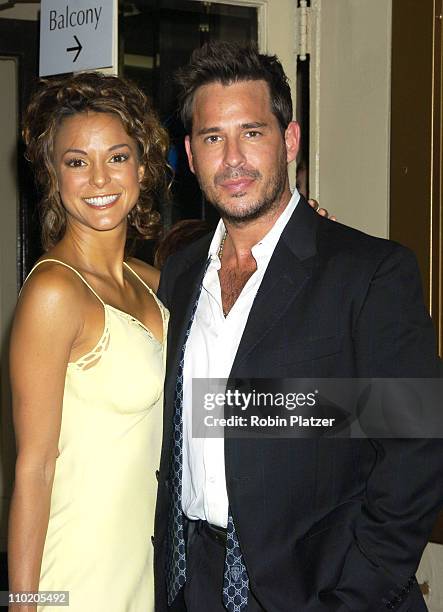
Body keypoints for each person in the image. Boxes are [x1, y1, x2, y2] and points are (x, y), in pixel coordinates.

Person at [153, 42, 442, 611]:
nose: (232, 158)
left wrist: (353, 597)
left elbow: (415, 452)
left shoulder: (369, 274)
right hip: (195, 582)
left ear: (289, 140)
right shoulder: (180, 275)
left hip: (321, 589)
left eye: (252, 132)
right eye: (213, 138)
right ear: (189, 154)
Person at [8, 72, 169, 612]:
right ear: (53, 175)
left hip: (144, 566)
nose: (99, 177)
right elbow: (34, 467)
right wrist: (25, 604)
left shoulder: (153, 282)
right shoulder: (54, 291)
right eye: (77, 161)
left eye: (117, 156)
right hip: (78, 575)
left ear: (143, 168)